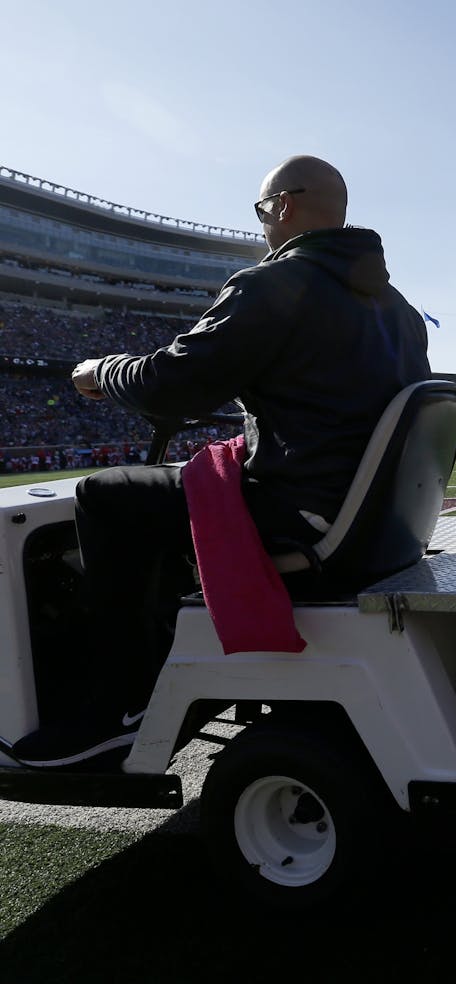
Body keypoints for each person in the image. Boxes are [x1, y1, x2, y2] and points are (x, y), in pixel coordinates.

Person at [9, 155, 431, 768]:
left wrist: (102, 371)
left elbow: (173, 383)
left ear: (283, 206)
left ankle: (120, 703)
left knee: (106, 497)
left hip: (302, 514)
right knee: (170, 489)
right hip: (370, 524)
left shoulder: (275, 285)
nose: (262, 227)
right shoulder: (399, 310)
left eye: (262, 212)